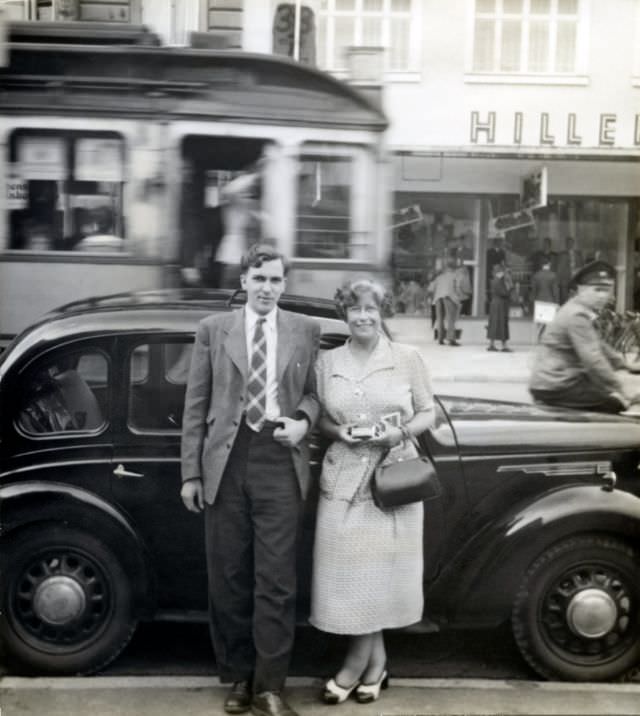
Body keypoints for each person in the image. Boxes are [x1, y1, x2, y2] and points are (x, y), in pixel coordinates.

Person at [180, 243, 320, 716]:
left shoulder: (305, 330)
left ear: (284, 285)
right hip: (227, 461)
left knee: (276, 580)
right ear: (243, 282)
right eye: (259, 278)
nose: (267, 288)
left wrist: (302, 419)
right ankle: (238, 679)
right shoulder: (213, 330)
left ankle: (270, 687)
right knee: (229, 577)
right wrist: (191, 474)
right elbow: (195, 407)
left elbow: (316, 396)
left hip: (279, 458)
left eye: (276, 280)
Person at [310, 279, 435, 705]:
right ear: (344, 314)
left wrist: (397, 431)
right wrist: (338, 429)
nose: (363, 316)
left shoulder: (407, 358)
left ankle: (353, 667)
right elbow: (322, 420)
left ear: (382, 312)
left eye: (371, 308)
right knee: (347, 580)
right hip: (343, 480)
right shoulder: (326, 362)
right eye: (355, 310)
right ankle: (375, 666)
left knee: (378, 580)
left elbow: (427, 412)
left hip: (392, 483)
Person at [529, 260, 640, 413]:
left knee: (604, 393)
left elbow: (598, 344)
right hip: (557, 385)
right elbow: (593, 359)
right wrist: (622, 390)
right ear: (581, 290)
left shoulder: (576, 309)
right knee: (616, 404)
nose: (603, 296)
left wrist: (624, 365)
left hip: (553, 382)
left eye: (607, 290)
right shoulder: (577, 316)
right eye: (597, 290)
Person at [431, 252, 463, 346]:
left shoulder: (440, 277)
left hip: (438, 298)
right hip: (449, 297)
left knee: (440, 319)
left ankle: (440, 339)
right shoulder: (455, 276)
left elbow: (432, 288)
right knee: (450, 319)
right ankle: (451, 339)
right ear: (454, 267)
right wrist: (458, 299)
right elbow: (457, 288)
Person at [531, 259, 560, 340]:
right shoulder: (553, 275)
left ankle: (538, 338)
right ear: (549, 264)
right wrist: (557, 302)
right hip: (550, 301)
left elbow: (534, 290)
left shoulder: (536, 275)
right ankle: (547, 338)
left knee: (540, 322)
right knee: (549, 322)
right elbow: (555, 291)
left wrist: (533, 302)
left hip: (539, 301)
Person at [487, 263, 512, 352]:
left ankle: (492, 344)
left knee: (494, 324)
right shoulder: (499, 281)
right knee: (502, 324)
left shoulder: (494, 280)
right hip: (500, 304)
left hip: (495, 304)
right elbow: (504, 293)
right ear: (500, 272)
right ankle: (504, 346)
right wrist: (509, 286)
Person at [556, 236, 584, 304]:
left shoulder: (578, 254)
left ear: (573, 244)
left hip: (575, 278)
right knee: (564, 299)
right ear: (566, 244)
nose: (570, 245)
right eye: (568, 243)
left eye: (571, 243)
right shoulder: (561, 254)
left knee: (576, 298)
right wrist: (558, 281)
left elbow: (582, 267)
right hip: (564, 280)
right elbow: (559, 268)